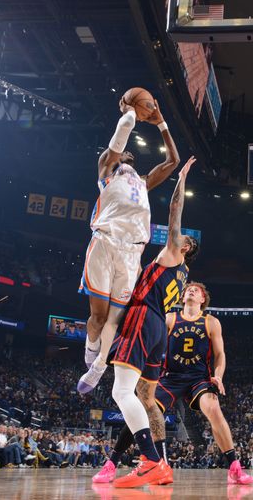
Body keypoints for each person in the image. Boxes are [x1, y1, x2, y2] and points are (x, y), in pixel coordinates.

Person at [94, 282, 253, 486]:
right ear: (182, 296)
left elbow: (220, 354)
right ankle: (111, 464)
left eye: (197, 290)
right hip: (171, 377)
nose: (192, 291)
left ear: (203, 299)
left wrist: (219, 376)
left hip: (199, 378)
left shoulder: (211, 322)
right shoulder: (170, 318)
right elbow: (152, 340)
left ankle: (234, 468)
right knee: (143, 411)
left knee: (213, 408)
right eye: (188, 289)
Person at [101, 157, 199, 488]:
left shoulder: (174, 253)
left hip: (143, 318)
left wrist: (181, 180)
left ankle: (151, 460)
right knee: (144, 396)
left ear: (184, 247)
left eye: (181, 238)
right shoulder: (183, 275)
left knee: (121, 390)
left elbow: (174, 211)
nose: (178, 236)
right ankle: (159, 463)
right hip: (158, 328)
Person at [77, 98, 180, 394]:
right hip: (104, 243)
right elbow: (120, 136)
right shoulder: (107, 170)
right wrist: (130, 114)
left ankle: (98, 368)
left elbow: (172, 161)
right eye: (124, 153)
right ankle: (90, 348)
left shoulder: (143, 182)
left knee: (116, 317)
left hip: (131, 251)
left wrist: (161, 122)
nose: (128, 155)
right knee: (98, 316)